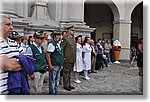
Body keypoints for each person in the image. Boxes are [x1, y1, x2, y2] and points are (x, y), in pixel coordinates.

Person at [0, 15, 22, 94]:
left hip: (14, 88)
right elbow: (8, 66)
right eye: (8, 24)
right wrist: (21, 62)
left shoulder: (14, 43)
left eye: (12, 24)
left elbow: (28, 59)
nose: (11, 28)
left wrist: (12, 62)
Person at [61, 26, 76, 91]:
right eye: (72, 30)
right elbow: (62, 48)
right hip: (67, 58)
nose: (73, 31)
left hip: (72, 58)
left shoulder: (73, 38)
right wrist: (63, 57)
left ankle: (69, 84)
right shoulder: (65, 38)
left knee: (70, 72)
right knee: (66, 72)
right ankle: (65, 85)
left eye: (74, 30)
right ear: (68, 31)